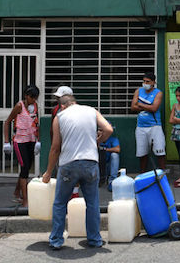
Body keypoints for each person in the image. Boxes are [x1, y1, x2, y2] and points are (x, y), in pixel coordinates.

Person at [42, 94, 113, 250]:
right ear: (75, 102)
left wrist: (48, 172)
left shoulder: (59, 117)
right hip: (90, 163)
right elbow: (108, 129)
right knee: (92, 203)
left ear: (62, 106)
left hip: (68, 165)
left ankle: (56, 240)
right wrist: (98, 141)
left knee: (60, 203)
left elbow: (55, 148)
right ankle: (94, 240)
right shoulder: (91, 111)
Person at [2, 85, 41, 207]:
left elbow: (36, 122)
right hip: (20, 141)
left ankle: (16, 192)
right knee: (24, 167)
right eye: (31, 97)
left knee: (28, 166)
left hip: (31, 139)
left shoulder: (35, 106)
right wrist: (6, 141)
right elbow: (7, 122)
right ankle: (25, 199)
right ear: (26, 96)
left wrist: (38, 140)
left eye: (35, 98)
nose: (33, 100)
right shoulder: (19, 106)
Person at [130, 72, 165, 173]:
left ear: (153, 82)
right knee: (142, 152)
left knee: (160, 151)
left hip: (155, 126)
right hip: (141, 127)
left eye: (148, 82)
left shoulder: (158, 93)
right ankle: (142, 174)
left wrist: (140, 104)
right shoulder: (138, 91)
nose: (145, 83)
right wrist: (147, 106)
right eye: (144, 81)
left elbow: (154, 108)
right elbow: (133, 107)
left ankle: (162, 174)